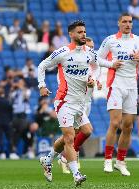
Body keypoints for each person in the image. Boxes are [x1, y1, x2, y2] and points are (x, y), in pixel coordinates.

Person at [38, 20, 98, 186]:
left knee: (85, 131)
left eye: (84, 31)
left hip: (80, 102)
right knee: (70, 138)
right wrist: (41, 85)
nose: (83, 34)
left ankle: (47, 159)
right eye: (79, 32)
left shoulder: (87, 54)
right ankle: (76, 174)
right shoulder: (63, 53)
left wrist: (93, 79)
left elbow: (96, 66)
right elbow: (42, 65)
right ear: (71, 35)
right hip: (65, 101)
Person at [97, 13, 139, 176]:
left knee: (128, 126)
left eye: (130, 22)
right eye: (124, 21)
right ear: (118, 23)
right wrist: (111, 64)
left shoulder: (137, 40)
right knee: (115, 123)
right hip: (116, 85)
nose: (127, 24)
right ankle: (107, 160)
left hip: (132, 87)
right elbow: (97, 58)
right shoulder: (110, 40)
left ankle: (121, 162)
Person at [58, 37, 102, 174]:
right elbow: (63, 82)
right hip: (72, 102)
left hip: (86, 102)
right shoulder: (70, 64)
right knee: (80, 132)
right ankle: (67, 157)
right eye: (88, 46)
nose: (90, 50)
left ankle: (63, 156)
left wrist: (97, 83)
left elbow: (95, 78)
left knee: (77, 133)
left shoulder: (92, 66)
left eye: (92, 47)